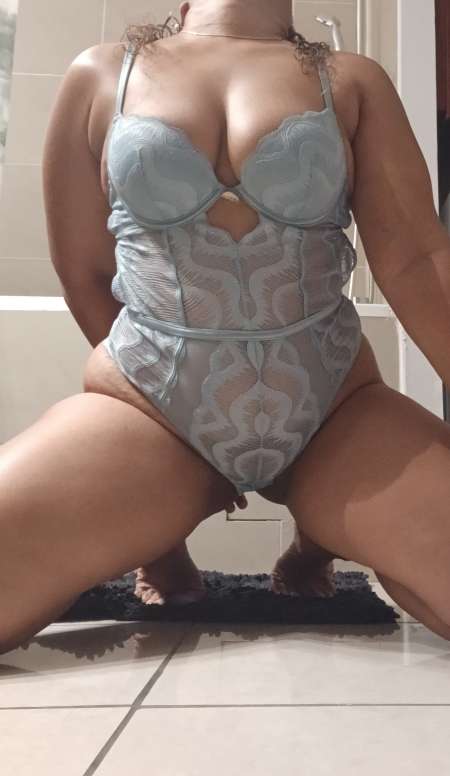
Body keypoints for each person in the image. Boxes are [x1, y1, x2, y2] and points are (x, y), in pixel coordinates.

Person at [1, 0, 450, 656]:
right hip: (150, 413)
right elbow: (85, 273)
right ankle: (159, 526)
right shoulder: (100, 73)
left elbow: (417, 261)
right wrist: (161, 412)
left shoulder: (352, 79)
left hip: (334, 413)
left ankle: (318, 537)